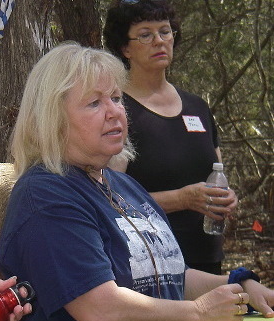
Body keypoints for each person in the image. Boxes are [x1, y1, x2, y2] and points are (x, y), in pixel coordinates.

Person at [0, 42, 274, 321]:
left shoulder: (125, 185)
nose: (114, 111)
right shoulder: (46, 194)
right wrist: (199, 312)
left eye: (116, 98)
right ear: (53, 120)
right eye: (94, 102)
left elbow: (173, 277)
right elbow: (101, 309)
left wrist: (239, 286)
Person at [103, 0, 238, 275]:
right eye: (145, 34)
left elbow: (217, 174)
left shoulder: (197, 107)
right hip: (151, 266)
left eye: (165, 32)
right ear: (125, 48)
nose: (159, 41)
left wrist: (227, 197)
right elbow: (109, 199)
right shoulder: (118, 110)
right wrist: (182, 199)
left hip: (208, 258)